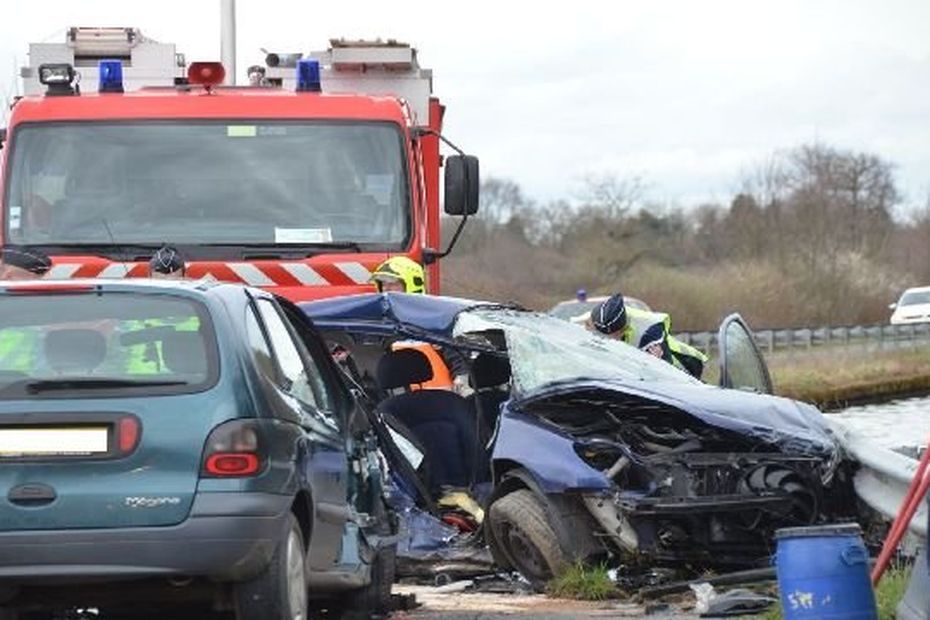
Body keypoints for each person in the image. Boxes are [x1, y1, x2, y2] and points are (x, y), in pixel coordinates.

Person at [591, 293, 708, 379]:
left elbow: (665, 377)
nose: (610, 339)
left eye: (614, 334)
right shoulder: (598, 322)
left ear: (623, 327)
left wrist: (654, 363)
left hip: (687, 366)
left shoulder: (649, 333)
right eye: (606, 335)